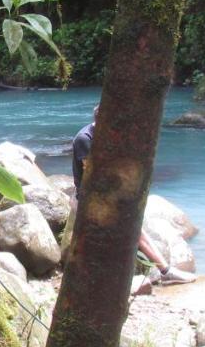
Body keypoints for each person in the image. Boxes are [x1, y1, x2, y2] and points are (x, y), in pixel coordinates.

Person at [72, 109, 195, 285]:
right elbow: (92, 177)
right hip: (90, 198)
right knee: (135, 232)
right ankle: (165, 271)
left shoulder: (108, 137)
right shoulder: (85, 139)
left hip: (107, 195)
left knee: (136, 230)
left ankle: (164, 270)